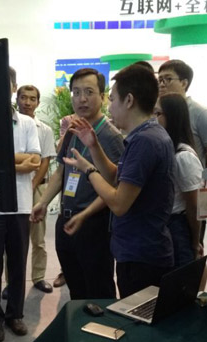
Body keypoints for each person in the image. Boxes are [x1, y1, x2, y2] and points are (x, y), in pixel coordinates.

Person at [63, 64, 175, 298]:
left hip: (142, 255)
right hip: (137, 250)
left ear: (129, 100)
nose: (109, 106)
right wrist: (94, 147)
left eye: (112, 99)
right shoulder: (144, 135)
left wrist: (88, 170)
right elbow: (116, 176)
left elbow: (118, 203)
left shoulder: (145, 141)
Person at [30, 68, 124, 300]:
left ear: (102, 97)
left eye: (89, 92)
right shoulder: (73, 131)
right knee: (76, 288)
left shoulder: (111, 136)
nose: (82, 99)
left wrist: (85, 215)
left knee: (99, 290)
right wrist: (43, 202)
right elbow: (61, 171)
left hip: (94, 224)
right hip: (66, 220)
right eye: (76, 92)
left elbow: (115, 187)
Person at [0, 67, 41, 342]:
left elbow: (35, 161)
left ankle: (15, 314)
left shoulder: (26, 123)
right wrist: (17, 161)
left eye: (5, 84)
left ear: (13, 88)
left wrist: (1, 161)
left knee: (18, 263)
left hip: (21, 204)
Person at [15, 84, 56, 293]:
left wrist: (32, 185)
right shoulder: (10, 127)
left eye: (32, 99)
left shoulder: (45, 130)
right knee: (14, 239)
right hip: (15, 187)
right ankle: (13, 281)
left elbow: (45, 161)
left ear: (38, 103)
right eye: (23, 97)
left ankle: (38, 277)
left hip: (37, 188)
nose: (27, 102)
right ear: (17, 100)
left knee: (38, 239)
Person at [155, 93, 203, 268]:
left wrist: (195, 241)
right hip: (164, 223)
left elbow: (193, 205)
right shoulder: (166, 149)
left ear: (172, 117)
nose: (153, 119)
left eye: (158, 114)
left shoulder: (183, 157)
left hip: (178, 226)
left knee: (181, 274)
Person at [157, 59, 207, 167]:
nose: (162, 85)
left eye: (168, 79)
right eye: (160, 80)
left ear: (184, 83)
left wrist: (200, 173)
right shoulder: (159, 112)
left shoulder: (202, 113)